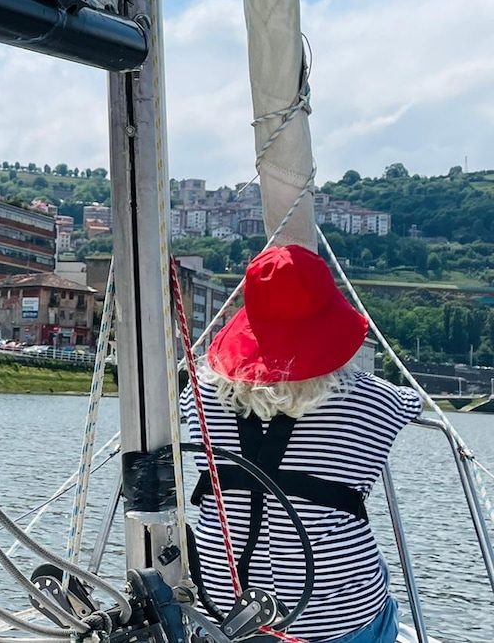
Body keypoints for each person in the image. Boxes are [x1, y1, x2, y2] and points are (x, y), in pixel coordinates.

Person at [180, 244, 422, 643]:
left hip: (224, 614)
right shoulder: (376, 400)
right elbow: (413, 402)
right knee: (379, 596)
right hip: (336, 621)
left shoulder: (198, 395)